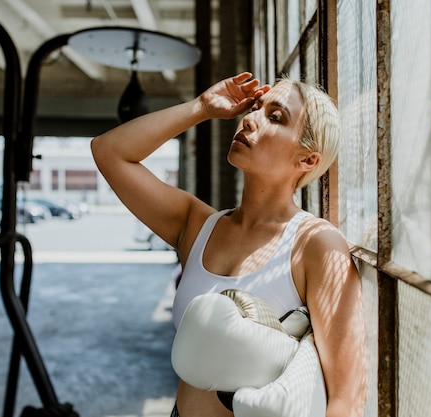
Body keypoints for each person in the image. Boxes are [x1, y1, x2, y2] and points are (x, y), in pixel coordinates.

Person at [91, 72, 366, 417]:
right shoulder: (196, 226)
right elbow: (108, 151)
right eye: (254, 108)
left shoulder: (315, 244)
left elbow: (347, 396)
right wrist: (201, 107)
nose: (249, 119)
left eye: (275, 117)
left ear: (307, 160)